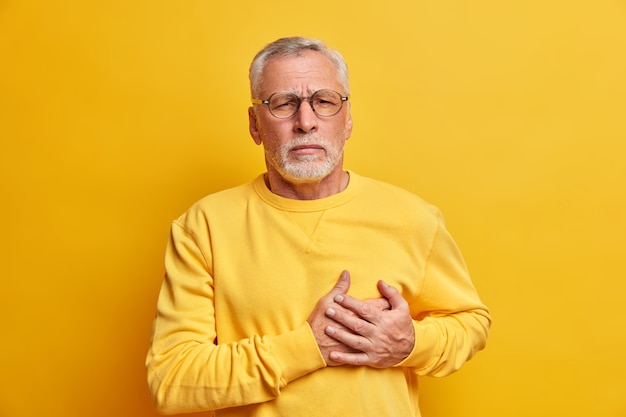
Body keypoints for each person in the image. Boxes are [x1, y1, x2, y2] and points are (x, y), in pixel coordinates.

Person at [146, 36, 491, 416]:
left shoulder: (414, 218)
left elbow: (470, 322)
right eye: (283, 104)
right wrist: (307, 347)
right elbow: (172, 380)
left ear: (347, 120)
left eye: (324, 102)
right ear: (255, 123)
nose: (305, 122)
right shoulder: (204, 227)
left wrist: (410, 343)